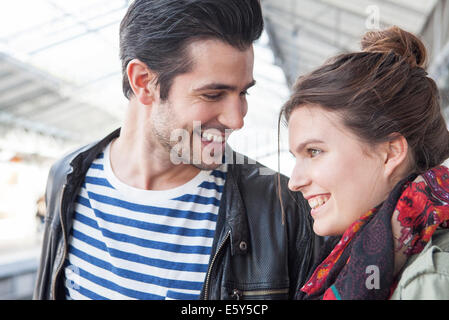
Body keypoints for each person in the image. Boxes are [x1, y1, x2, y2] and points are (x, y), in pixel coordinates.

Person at [33, 0, 321, 300]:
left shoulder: (279, 208)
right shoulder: (67, 178)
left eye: (243, 92)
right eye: (213, 94)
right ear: (144, 82)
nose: (236, 120)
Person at [281, 26, 449, 300]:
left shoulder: (432, 280)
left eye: (314, 152)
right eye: (295, 157)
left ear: (390, 153)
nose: (294, 181)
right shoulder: (349, 257)